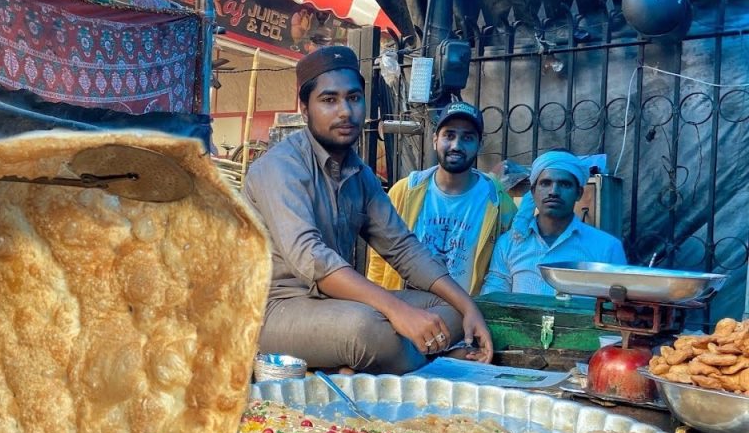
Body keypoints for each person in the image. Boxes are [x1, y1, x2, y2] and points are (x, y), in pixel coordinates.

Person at [243, 46, 493, 375]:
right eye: (329, 100)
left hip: (334, 307)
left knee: (449, 309)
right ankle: (423, 359)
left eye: (354, 98)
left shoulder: (360, 174)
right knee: (371, 330)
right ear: (305, 108)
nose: (345, 112)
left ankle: (369, 363)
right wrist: (395, 310)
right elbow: (312, 258)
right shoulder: (279, 167)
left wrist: (468, 306)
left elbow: (402, 247)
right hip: (273, 309)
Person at [367, 101, 516, 296]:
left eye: (467, 138)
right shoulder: (404, 192)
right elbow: (379, 258)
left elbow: (506, 266)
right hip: (406, 311)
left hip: (462, 316)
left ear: (479, 145)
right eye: (449, 135)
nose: (456, 145)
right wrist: (377, 304)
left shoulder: (498, 204)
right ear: (435, 139)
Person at [481, 149, 627, 296]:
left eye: (564, 184)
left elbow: (616, 309)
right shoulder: (508, 244)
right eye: (546, 183)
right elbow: (493, 300)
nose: (554, 191)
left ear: (579, 193)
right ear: (533, 192)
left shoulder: (607, 248)